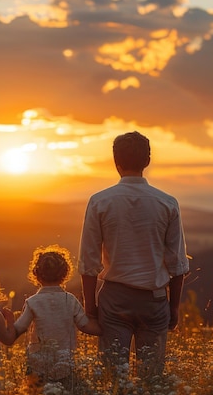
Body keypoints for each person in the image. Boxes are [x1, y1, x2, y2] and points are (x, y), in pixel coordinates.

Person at [78, 131, 189, 377]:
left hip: (115, 299)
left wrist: (90, 307)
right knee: (151, 379)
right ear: (147, 162)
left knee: (112, 378)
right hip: (155, 300)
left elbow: (88, 262)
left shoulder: (99, 202)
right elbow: (177, 264)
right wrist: (174, 308)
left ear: (115, 161)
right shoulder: (168, 203)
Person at [3, 245, 101, 384]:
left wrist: (8, 320)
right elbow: (86, 327)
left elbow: (18, 330)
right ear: (65, 273)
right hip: (65, 364)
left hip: (38, 364)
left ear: (36, 274)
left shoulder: (33, 302)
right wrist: (108, 323)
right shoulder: (70, 300)